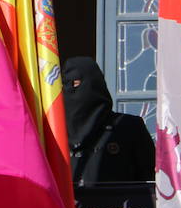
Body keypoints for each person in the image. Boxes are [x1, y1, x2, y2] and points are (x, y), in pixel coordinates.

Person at [62, 56, 155, 187]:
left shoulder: (127, 128)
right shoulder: (54, 133)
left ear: (95, 85)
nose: (72, 90)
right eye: (68, 84)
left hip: (120, 206)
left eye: (77, 84)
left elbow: (149, 179)